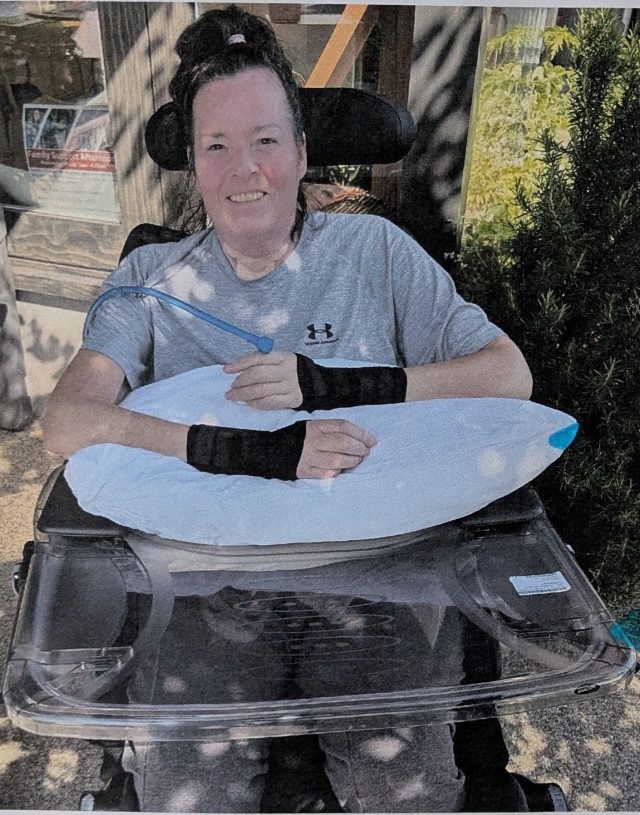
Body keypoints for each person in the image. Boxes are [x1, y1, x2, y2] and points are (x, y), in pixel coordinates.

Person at [43, 6, 532, 812]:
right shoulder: (153, 280)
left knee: (398, 785)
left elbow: (508, 375)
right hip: (205, 591)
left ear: (303, 150)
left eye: (267, 140)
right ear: (193, 165)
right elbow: (68, 421)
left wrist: (339, 386)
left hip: (375, 580)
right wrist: (251, 450)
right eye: (218, 146)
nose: (246, 170)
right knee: (183, 793)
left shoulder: (375, 253)